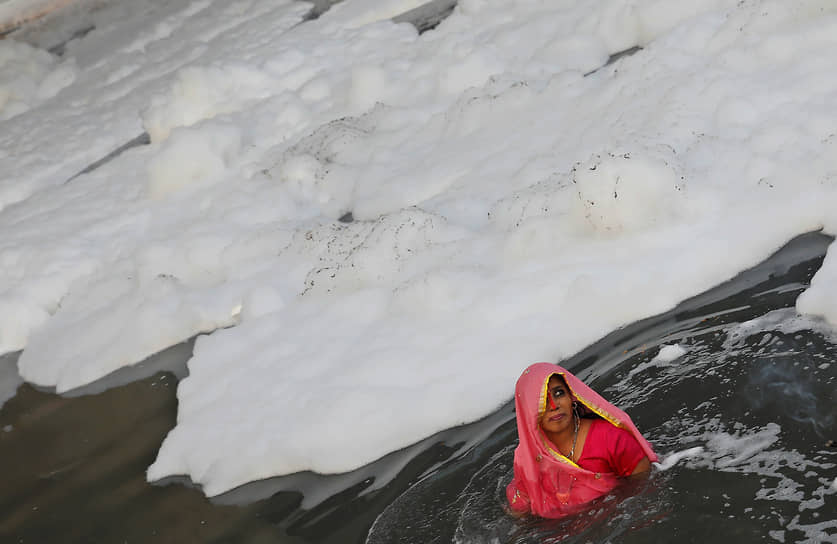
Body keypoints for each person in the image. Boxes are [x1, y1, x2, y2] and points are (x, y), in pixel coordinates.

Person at [506, 362, 657, 518]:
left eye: (559, 393)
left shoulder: (612, 439)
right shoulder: (527, 462)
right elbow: (522, 517)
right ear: (528, 411)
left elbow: (645, 488)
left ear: (571, 396)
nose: (553, 405)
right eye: (542, 399)